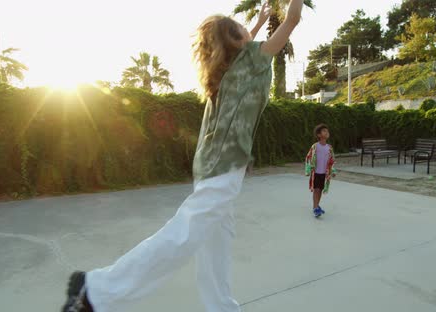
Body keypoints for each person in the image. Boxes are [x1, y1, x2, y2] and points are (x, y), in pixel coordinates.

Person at [61, 1, 305, 312]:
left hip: (212, 163)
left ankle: (221, 307)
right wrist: (280, 14)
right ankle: (96, 291)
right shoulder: (253, 59)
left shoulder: (227, 68)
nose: (249, 31)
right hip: (225, 165)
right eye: (243, 28)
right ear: (237, 40)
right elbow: (294, 19)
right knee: (182, 237)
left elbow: (242, 37)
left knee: (215, 246)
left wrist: (257, 21)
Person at [305, 124, 336, 217]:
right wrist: (308, 169)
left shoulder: (329, 148)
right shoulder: (315, 146)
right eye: (324, 131)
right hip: (316, 173)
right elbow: (308, 157)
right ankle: (315, 208)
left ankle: (317, 205)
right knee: (316, 189)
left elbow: (332, 160)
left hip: (324, 173)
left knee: (321, 189)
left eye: (327, 131)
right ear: (319, 135)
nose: (327, 132)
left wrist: (333, 171)